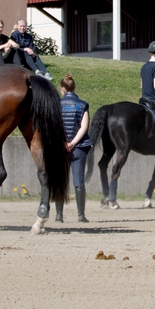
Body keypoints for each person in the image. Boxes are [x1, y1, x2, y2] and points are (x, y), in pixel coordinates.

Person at [55, 73, 91, 223]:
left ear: (62, 89)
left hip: (60, 147)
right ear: (74, 87)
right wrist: (73, 143)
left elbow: (54, 127)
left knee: (60, 182)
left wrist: (64, 142)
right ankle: (81, 216)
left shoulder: (56, 105)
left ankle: (59, 216)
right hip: (79, 147)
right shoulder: (83, 105)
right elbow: (84, 127)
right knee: (79, 182)